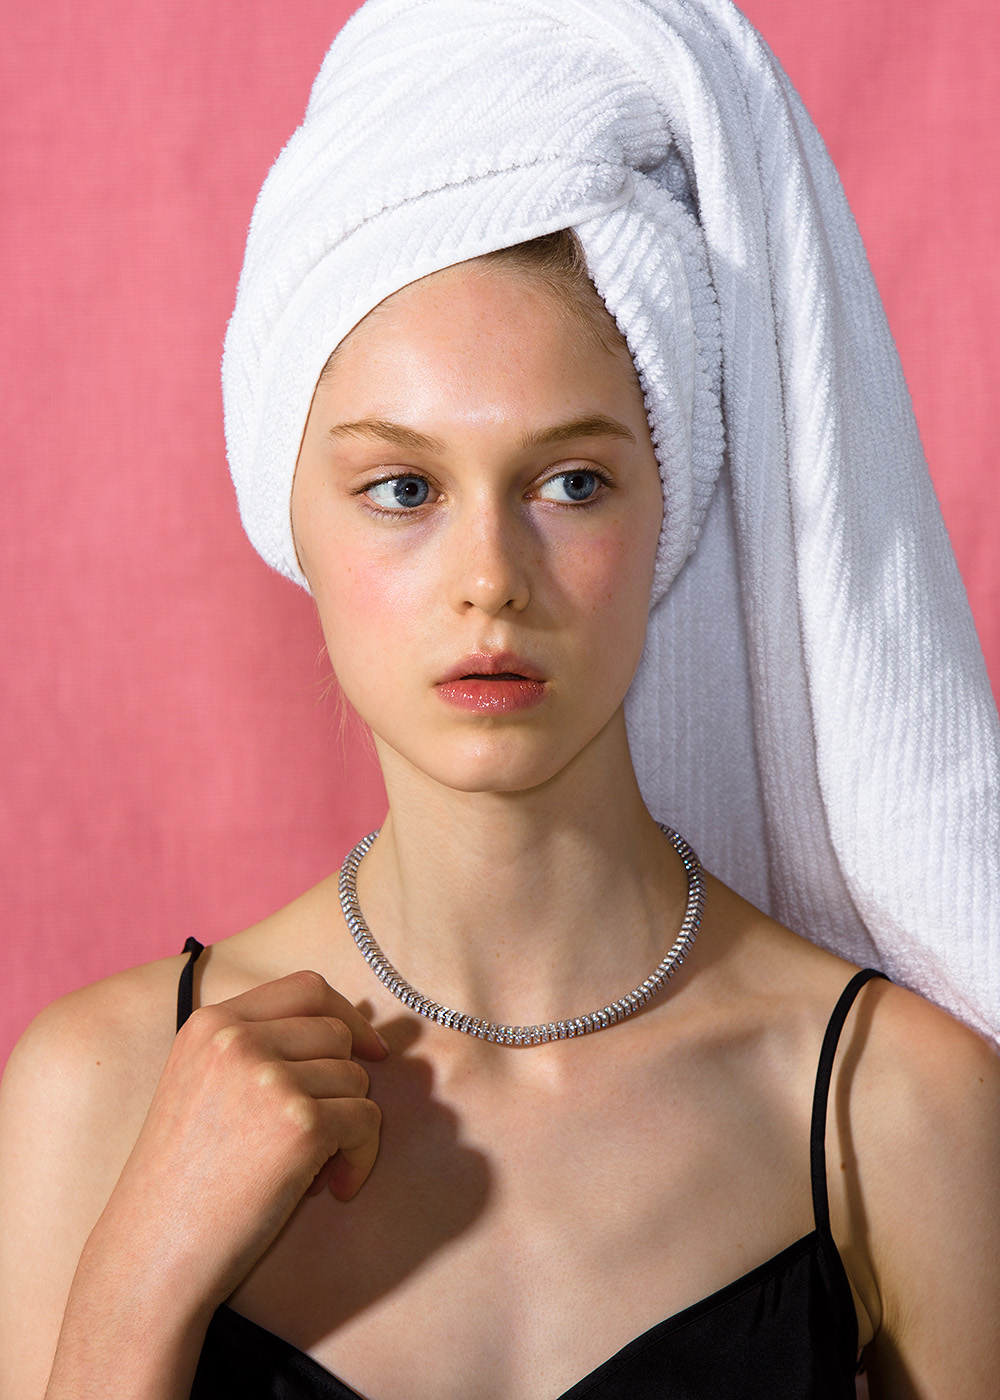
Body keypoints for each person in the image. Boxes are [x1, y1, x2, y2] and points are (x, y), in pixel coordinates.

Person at [2, 1, 999, 1397]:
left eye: (571, 483)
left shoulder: (895, 1110)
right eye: (403, 488)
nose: (490, 579)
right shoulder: (98, 1092)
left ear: (671, 508)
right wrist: (139, 1283)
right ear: (290, 516)